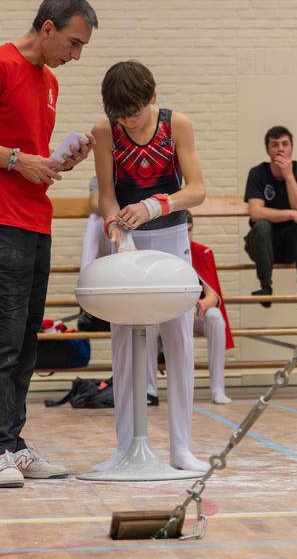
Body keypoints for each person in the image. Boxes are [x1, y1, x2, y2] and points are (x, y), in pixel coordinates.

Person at [0, 0, 98, 488]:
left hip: (35, 220)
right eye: (73, 43)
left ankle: (13, 442)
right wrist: (16, 159)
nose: (76, 55)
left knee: (26, 341)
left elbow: (30, 159)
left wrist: (57, 162)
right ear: (47, 28)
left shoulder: (49, 81)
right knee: (0, 340)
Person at [92, 60, 208, 472]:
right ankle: (125, 447)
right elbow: (106, 196)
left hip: (171, 239)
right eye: (120, 114)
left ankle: (181, 447)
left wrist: (155, 204)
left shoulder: (177, 124)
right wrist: (114, 223)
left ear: (153, 99)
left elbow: (196, 189)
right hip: (127, 242)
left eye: (135, 112)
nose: (128, 120)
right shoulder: (105, 131)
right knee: (123, 345)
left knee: (178, 342)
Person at [148, 211, 233, 405]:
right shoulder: (161, 255)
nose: (186, 236)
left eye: (189, 231)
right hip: (166, 313)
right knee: (148, 324)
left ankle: (218, 388)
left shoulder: (202, 252)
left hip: (195, 312)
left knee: (216, 317)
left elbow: (213, 296)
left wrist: (199, 306)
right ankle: (149, 389)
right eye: (182, 231)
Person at [244, 126, 297, 307]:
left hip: (295, 247)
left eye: (285, 144)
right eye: (275, 145)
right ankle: (265, 288)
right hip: (263, 245)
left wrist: (289, 177)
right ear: (267, 149)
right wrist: (291, 214)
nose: (280, 149)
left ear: (292, 148)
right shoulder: (257, 173)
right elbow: (256, 213)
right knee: (262, 225)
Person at [77, 175, 111, 332]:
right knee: (95, 219)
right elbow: (94, 204)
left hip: (135, 225)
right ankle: (86, 284)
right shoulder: (99, 178)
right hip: (111, 228)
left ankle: (86, 282)